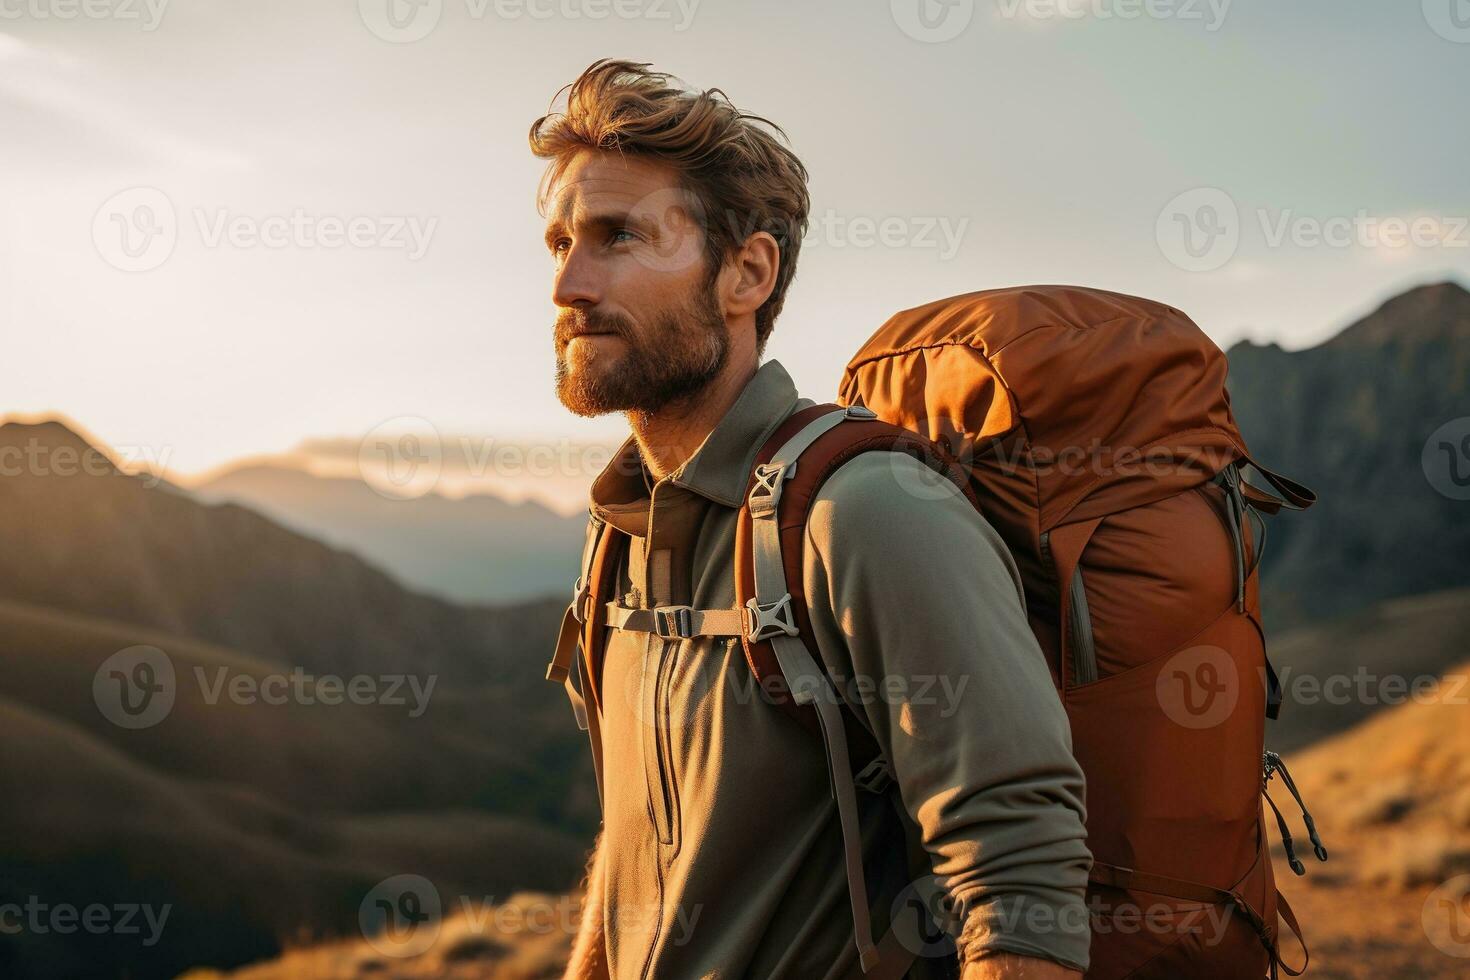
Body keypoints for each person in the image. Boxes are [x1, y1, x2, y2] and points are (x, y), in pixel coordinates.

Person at [531, 59, 1091, 980]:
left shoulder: (864, 515)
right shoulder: (619, 536)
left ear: (746, 272)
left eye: (617, 237)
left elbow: (1019, 874)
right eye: (558, 244)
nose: (569, 286)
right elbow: (634, 844)